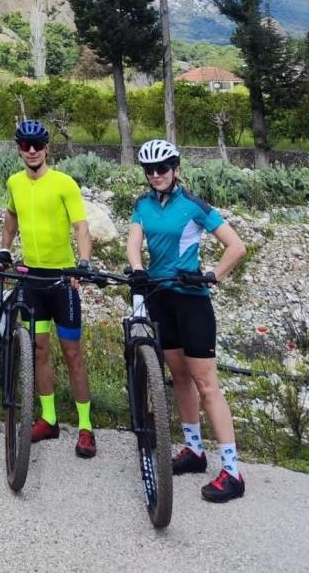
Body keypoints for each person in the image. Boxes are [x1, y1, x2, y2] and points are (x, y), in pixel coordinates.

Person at [127, 139, 247, 503]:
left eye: (162, 168)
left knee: (206, 385)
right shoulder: (143, 204)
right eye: (150, 170)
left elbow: (236, 247)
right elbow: (134, 242)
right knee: (179, 377)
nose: (156, 175)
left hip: (192, 302)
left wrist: (212, 276)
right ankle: (194, 451)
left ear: (175, 169)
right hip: (160, 298)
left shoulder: (193, 206)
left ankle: (232, 471)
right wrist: (137, 269)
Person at [0, 119, 97, 459]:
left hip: (62, 280)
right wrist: (4, 248)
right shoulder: (14, 182)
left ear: (47, 148)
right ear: (18, 149)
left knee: (72, 353)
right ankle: (49, 418)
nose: (32, 151)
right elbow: (11, 217)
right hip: (32, 280)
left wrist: (83, 262)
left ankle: (85, 426)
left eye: (37, 145)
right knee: (38, 349)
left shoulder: (64, 183)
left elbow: (81, 226)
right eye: (25, 146)